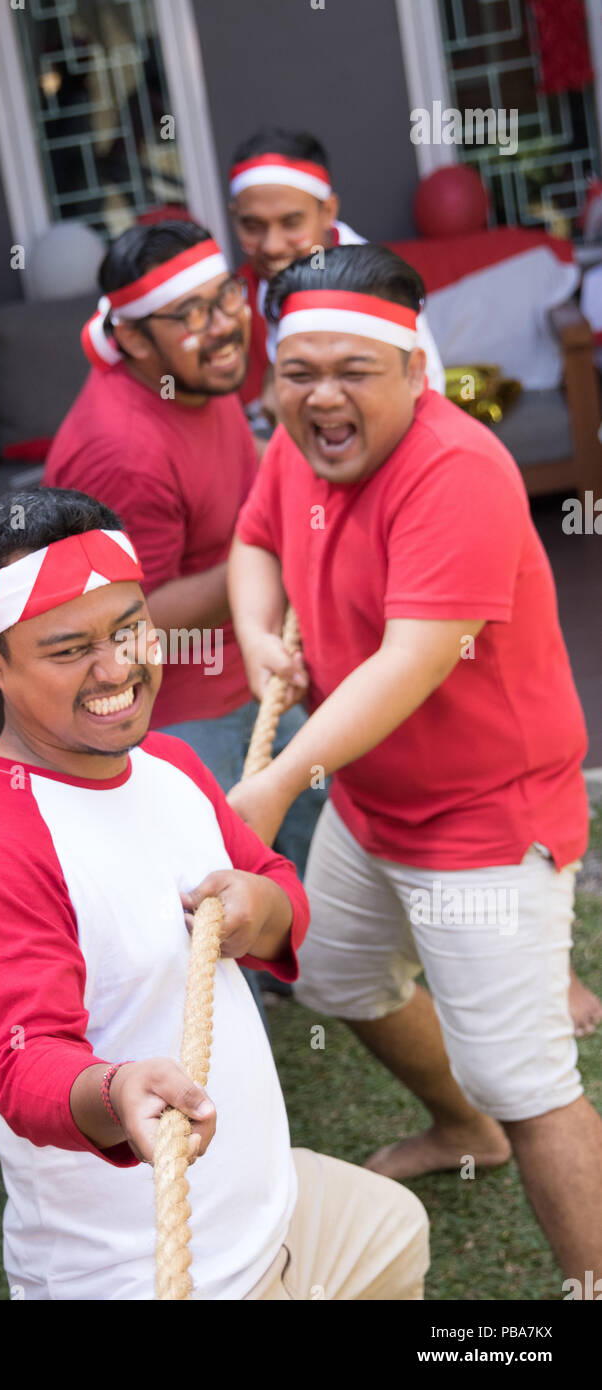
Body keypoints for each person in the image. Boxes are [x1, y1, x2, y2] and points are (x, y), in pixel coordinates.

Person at [0, 487, 430, 1301]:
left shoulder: (174, 768)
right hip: (149, 1273)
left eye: (129, 629)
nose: (117, 669)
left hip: (275, 1211)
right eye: (68, 649)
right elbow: (25, 1063)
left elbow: (279, 889)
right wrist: (117, 1091)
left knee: (394, 1226)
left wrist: (263, 910)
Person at [227, 242, 602, 1281]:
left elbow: (412, 662)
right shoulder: (298, 441)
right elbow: (255, 539)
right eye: (299, 373)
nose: (321, 397)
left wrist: (269, 783)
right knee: (336, 975)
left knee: (526, 1082)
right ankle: (460, 1128)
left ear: (413, 370)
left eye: (353, 370)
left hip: (483, 815)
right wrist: (262, 632)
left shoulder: (455, 469)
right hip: (370, 803)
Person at [43, 219, 323, 885]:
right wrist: (279, 550)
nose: (224, 324)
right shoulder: (126, 451)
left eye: (226, 296)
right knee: (216, 916)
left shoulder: (196, 376)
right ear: (134, 338)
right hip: (179, 715)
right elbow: (133, 617)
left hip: (249, 666)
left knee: (330, 867)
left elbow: (234, 469)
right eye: (190, 313)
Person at [227, 126, 445, 431]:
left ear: (328, 210)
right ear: (233, 216)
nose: (271, 245)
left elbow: (428, 389)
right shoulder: (267, 278)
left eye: (291, 223)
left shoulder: (373, 282)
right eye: (252, 225)